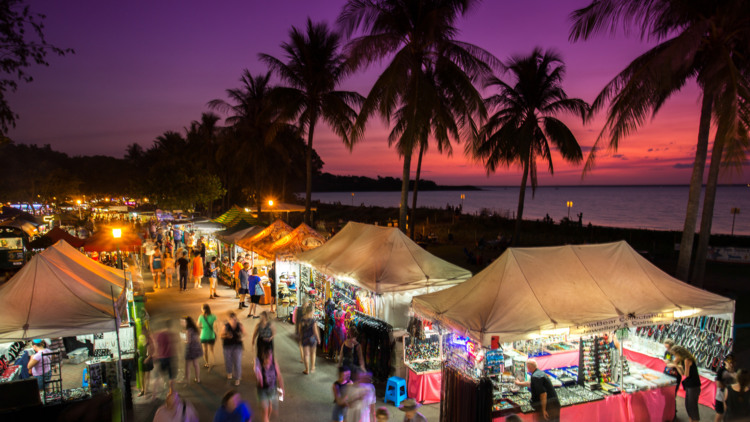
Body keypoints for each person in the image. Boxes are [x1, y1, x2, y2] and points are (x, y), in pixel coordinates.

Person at [672, 345, 701, 422]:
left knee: (692, 406)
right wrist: (676, 364)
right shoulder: (682, 361)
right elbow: (681, 373)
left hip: (693, 386)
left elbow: (686, 374)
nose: (675, 356)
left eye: (675, 354)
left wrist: (678, 365)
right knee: (688, 406)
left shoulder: (687, 360)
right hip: (689, 385)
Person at [254, 348, 285, 422]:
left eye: (271, 358)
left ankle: (266, 419)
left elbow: (279, 376)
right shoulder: (259, 366)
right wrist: (259, 375)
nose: (270, 361)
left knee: (270, 408)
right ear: (263, 359)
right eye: (267, 358)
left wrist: (282, 388)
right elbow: (260, 382)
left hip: (272, 389)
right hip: (262, 391)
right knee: (265, 410)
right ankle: (265, 419)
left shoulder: (274, 363)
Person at [222, 312, 246, 386]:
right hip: (227, 346)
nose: (233, 321)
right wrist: (226, 336)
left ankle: (237, 378)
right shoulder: (225, 326)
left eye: (234, 319)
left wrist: (242, 338)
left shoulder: (239, 325)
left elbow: (245, 334)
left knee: (237, 362)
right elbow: (221, 335)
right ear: (229, 320)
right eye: (231, 319)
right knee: (228, 361)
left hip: (237, 346)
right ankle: (229, 372)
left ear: (236, 319)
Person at [155, 319, 178, 394]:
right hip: (172, 357)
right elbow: (175, 346)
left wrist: (158, 355)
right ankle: (171, 391)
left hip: (162, 357)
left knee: (160, 374)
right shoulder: (173, 334)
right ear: (171, 325)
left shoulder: (160, 334)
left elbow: (157, 346)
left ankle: (155, 393)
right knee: (171, 376)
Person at [181, 316, 203, 385]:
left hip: (190, 349)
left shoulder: (188, 331)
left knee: (187, 365)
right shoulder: (195, 329)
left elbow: (188, 341)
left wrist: (183, 340)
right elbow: (196, 338)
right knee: (196, 364)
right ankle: (198, 379)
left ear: (187, 322)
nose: (182, 323)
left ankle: (187, 381)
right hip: (196, 348)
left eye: (183, 322)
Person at [715, 354, 737, 422]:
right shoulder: (721, 371)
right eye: (729, 362)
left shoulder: (736, 372)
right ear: (725, 362)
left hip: (731, 398)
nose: (731, 364)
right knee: (719, 415)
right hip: (721, 397)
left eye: (733, 362)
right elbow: (719, 384)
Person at [300, 306, 320, 375]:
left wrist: (301, 337)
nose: (314, 312)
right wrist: (318, 338)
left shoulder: (302, 319)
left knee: (306, 355)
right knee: (313, 353)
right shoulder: (313, 319)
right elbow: (315, 331)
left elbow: (300, 331)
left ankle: (307, 370)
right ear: (311, 311)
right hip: (312, 339)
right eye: (314, 310)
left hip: (305, 338)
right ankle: (312, 367)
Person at [198, 304, 218, 370]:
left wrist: (202, 327)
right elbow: (216, 326)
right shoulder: (213, 316)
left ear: (203, 309)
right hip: (211, 335)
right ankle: (212, 362)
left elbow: (198, 325)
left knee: (205, 350)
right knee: (211, 350)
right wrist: (215, 330)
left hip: (203, 336)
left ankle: (207, 363)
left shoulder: (201, 317)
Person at [138, 327, 155, 398]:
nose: (143, 332)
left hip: (148, 359)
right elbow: (138, 349)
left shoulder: (149, 339)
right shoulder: (140, 339)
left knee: (147, 376)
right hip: (142, 359)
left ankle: (146, 390)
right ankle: (142, 390)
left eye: (144, 331)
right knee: (141, 376)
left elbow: (152, 349)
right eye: (142, 331)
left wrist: (148, 358)